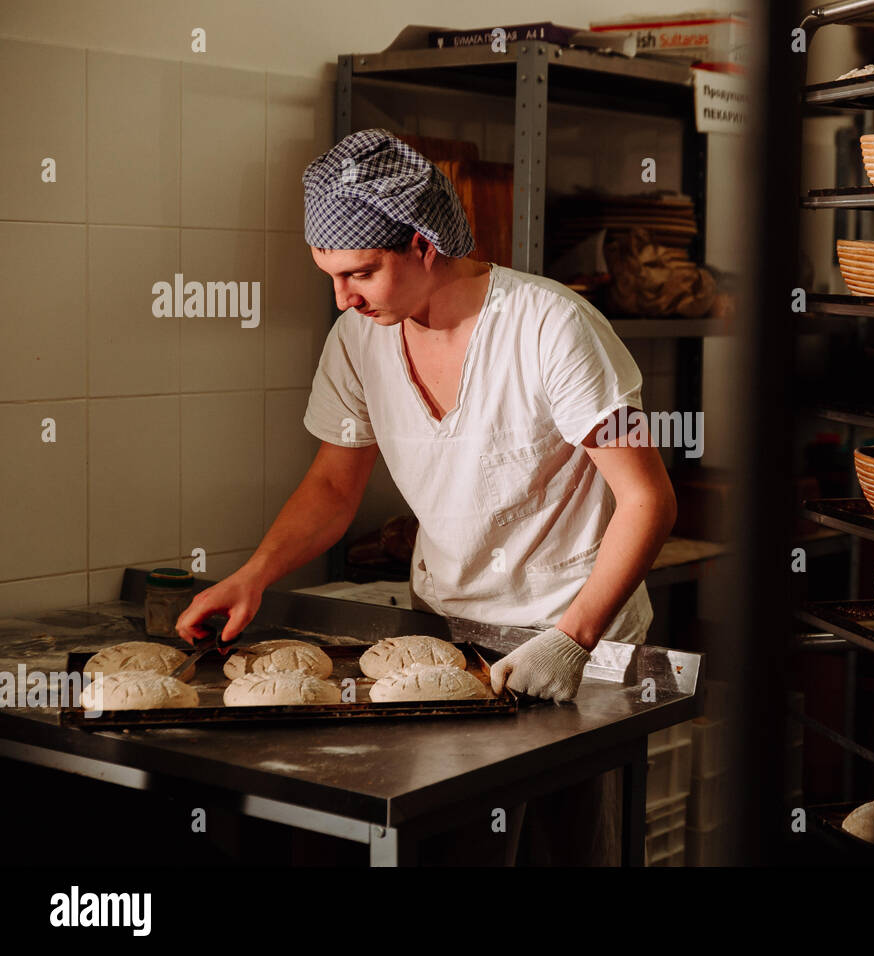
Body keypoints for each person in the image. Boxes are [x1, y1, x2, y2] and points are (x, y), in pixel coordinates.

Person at [175, 128, 677, 862]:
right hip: (443, 642)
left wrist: (571, 640)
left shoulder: (553, 327)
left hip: (575, 640)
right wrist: (254, 575)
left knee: (562, 852)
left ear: (423, 242)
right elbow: (331, 484)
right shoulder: (358, 340)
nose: (343, 298)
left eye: (360, 274)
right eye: (330, 276)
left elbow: (648, 499)